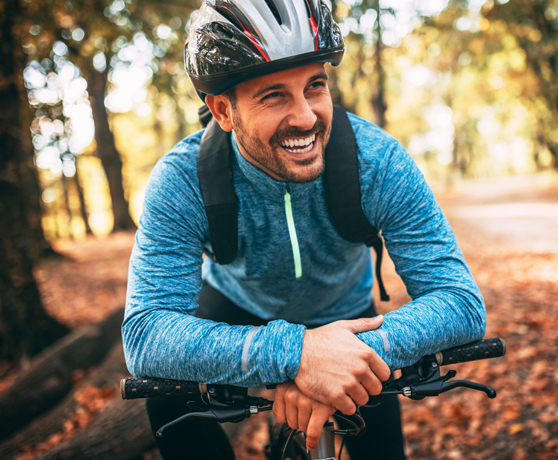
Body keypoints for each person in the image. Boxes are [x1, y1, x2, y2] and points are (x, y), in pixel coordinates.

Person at [122, 1, 486, 459]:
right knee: (166, 402)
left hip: (352, 321)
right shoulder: (182, 180)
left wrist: (341, 356)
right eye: (274, 95)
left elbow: (461, 302)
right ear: (222, 110)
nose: (306, 117)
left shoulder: (378, 163)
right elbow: (146, 334)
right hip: (237, 310)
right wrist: (297, 354)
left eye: (315, 86)